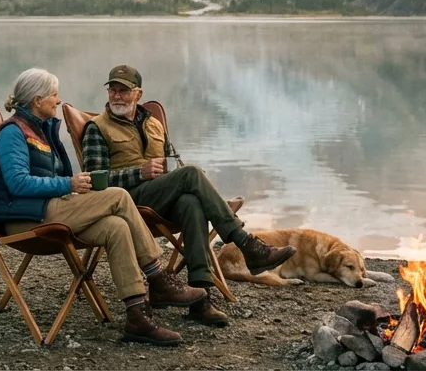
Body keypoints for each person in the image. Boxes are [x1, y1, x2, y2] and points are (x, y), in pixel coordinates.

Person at [0, 68, 206, 346]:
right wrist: (69, 184)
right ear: (37, 99)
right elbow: (17, 184)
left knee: (116, 226)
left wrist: (71, 188)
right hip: (24, 216)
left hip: (48, 207)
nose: (58, 99)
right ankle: (158, 278)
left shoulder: (42, 129)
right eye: (54, 94)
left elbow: (46, 179)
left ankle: (137, 315)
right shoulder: (13, 133)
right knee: (118, 196)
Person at [80, 63, 296, 327]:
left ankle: (200, 297)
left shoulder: (153, 124)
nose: (116, 96)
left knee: (192, 202)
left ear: (138, 93)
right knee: (192, 175)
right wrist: (140, 173)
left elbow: (175, 163)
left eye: (123, 91)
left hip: (160, 197)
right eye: (113, 90)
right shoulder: (97, 128)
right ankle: (247, 244)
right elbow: (94, 181)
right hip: (126, 201)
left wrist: (187, 175)